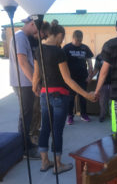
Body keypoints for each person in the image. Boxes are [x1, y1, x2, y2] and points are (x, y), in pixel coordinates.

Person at [33, 20, 95, 174]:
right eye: (62, 38)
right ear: (59, 34)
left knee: (45, 128)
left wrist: (36, 87)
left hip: (44, 94)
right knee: (57, 130)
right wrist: (86, 94)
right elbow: (68, 79)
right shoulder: (58, 52)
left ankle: (44, 162)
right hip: (59, 95)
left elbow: (36, 75)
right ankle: (58, 164)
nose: (62, 41)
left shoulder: (38, 49)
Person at [9, 16, 40, 159]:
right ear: (32, 24)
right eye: (36, 27)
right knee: (25, 115)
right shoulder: (20, 37)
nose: (37, 32)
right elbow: (23, 62)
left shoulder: (22, 37)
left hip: (25, 82)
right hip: (24, 83)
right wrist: (35, 82)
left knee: (27, 115)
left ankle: (26, 143)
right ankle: (24, 148)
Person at [63, 30, 94, 124]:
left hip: (82, 77)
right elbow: (62, 64)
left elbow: (89, 62)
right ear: (72, 38)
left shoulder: (85, 48)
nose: (78, 43)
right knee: (71, 99)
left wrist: (90, 75)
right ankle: (70, 116)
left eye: (80, 41)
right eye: (77, 41)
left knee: (83, 97)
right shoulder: (66, 48)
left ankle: (84, 115)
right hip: (71, 79)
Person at [28, 21, 50, 145]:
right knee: (34, 110)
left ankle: (37, 132)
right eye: (44, 35)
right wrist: (34, 83)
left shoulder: (38, 42)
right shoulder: (28, 39)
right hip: (31, 81)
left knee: (39, 109)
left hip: (39, 80)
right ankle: (33, 136)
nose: (44, 38)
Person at [89, 53, 111, 122]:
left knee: (114, 102)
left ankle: (113, 116)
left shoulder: (115, 54)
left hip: (114, 82)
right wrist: (90, 77)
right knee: (102, 101)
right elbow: (96, 69)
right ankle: (102, 115)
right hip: (102, 83)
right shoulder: (99, 56)